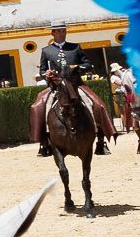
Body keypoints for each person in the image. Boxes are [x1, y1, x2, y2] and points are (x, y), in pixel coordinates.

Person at [27, 23, 108, 156]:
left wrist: (77, 67)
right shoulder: (46, 50)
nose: (61, 33)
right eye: (58, 31)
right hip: (56, 86)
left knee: (97, 104)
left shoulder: (75, 47)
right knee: (38, 107)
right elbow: (42, 70)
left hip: (76, 85)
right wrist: (46, 74)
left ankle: (100, 139)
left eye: (63, 31)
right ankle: (44, 141)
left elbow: (88, 64)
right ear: (52, 33)